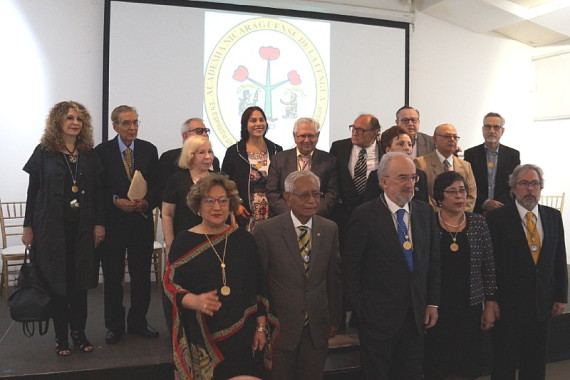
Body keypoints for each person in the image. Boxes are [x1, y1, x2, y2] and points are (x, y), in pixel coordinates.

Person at [343, 152, 440, 379]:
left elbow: (433, 262)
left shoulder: (425, 213)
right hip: (377, 320)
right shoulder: (365, 215)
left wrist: (432, 303)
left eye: (413, 178)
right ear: (383, 181)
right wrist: (363, 309)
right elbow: (350, 269)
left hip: (415, 317)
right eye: (403, 178)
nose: (410, 184)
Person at [163, 174, 270, 379]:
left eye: (223, 201)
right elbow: (169, 286)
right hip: (202, 341)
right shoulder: (184, 242)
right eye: (209, 201)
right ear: (198, 205)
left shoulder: (244, 240)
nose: (217, 207)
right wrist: (193, 300)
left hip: (243, 338)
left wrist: (261, 327)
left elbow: (258, 286)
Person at [22, 101, 105, 356]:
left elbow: (99, 193)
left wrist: (99, 223)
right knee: (58, 284)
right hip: (50, 230)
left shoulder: (89, 153)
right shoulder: (43, 152)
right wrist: (28, 226)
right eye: (69, 118)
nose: (75, 122)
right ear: (59, 121)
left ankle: (79, 333)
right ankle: (61, 338)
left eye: (79, 118)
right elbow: (32, 191)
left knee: (79, 285)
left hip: (81, 229)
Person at [253, 171, 342, 379]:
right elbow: (259, 282)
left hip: (317, 329)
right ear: (287, 197)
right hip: (281, 329)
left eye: (316, 194)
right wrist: (260, 323)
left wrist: (334, 319)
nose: (312, 201)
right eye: (304, 195)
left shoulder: (329, 229)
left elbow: (333, 278)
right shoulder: (266, 231)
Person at [487, 164, 567, 379]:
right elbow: (491, 263)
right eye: (524, 183)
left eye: (535, 184)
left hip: (542, 304)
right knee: (504, 362)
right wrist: (491, 299)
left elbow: (559, 258)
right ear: (513, 188)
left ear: (540, 188)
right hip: (508, 305)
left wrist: (561, 296)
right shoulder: (497, 218)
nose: (530, 189)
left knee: (535, 363)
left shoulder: (552, 216)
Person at [423, 171, 499, 379]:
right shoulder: (428, 223)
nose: (459, 196)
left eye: (462, 191)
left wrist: (490, 303)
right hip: (437, 306)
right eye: (452, 192)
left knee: (467, 365)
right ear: (439, 197)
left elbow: (488, 265)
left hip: (469, 307)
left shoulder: (478, 223)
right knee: (437, 365)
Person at [95, 105, 160, 344]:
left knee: (141, 276)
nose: (132, 128)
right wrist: (115, 201)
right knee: (113, 278)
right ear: (115, 126)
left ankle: (138, 322)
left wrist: (146, 203)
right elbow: (96, 189)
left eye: (135, 122)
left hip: (140, 224)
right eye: (126, 123)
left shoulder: (148, 150)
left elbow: (157, 185)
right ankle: (114, 326)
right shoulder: (101, 151)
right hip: (112, 224)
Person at [221, 106, 283, 231]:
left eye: (261, 120)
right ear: (245, 125)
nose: (258, 124)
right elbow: (223, 183)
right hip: (245, 215)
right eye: (253, 120)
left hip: (273, 213)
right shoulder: (234, 152)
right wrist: (236, 204)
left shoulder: (277, 150)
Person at [266, 117, 339, 218]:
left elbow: (332, 195)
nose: (307, 140)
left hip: (317, 219)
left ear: (317, 136)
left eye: (311, 136)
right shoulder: (278, 160)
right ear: (294, 136)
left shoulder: (329, 161)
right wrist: (292, 215)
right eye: (302, 136)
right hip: (284, 220)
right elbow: (272, 192)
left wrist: (311, 214)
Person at [329, 113, 381, 244]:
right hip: (344, 218)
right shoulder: (339, 148)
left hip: (374, 218)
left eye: (360, 130)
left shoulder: (384, 151)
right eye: (353, 128)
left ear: (375, 133)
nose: (355, 133)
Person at [162, 135, 214, 252]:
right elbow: (167, 214)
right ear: (190, 155)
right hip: (184, 243)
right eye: (202, 152)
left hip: (214, 241)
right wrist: (170, 244)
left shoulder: (219, 179)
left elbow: (229, 212)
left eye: (210, 151)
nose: (208, 156)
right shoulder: (176, 180)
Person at [463, 112, 520, 214]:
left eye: (496, 127)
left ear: (502, 131)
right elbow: (467, 183)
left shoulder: (513, 155)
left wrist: (498, 204)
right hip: (477, 210)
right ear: (483, 130)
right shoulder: (471, 154)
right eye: (488, 127)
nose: (492, 131)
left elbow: (515, 184)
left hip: (504, 209)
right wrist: (486, 203)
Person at [414, 123, 477, 212]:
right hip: (433, 217)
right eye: (447, 136)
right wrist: (442, 215)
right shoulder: (421, 163)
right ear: (435, 138)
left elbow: (471, 195)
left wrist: (459, 213)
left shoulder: (465, 165)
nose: (452, 140)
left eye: (455, 137)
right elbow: (423, 196)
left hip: (461, 218)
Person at [363, 125, 428, 203]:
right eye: (401, 144)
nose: (407, 148)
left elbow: (424, 207)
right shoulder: (376, 176)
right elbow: (370, 207)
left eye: (410, 145)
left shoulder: (420, 175)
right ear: (388, 150)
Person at [159, 118, 220, 198]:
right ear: (185, 135)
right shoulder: (169, 158)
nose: (205, 134)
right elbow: (161, 191)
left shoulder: (214, 160)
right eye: (199, 131)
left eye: (206, 130)